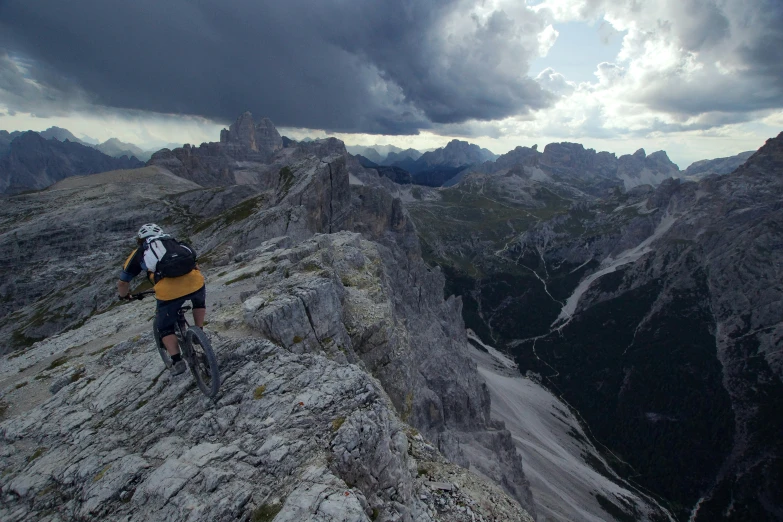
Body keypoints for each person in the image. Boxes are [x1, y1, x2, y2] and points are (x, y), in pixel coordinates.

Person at [117, 223, 206, 375]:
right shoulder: (176, 243)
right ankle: (200, 331)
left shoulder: (140, 251)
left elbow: (123, 282)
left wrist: (124, 295)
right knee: (198, 302)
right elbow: (194, 262)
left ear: (141, 239)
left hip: (168, 292)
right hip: (195, 282)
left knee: (164, 326)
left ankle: (177, 361)